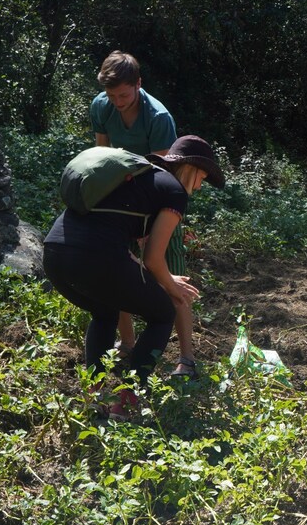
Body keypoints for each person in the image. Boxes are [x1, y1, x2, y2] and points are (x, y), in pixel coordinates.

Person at [43, 136, 224, 420]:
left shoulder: (139, 179)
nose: (199, 186)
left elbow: (131, 252)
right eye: (202, 177)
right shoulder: (174, 191)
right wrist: (169, 283)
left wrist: (163, 276)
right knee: (163, 312)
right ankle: (126, 402)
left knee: (104, 312)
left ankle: (93, 397)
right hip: (94, 257)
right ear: (190, 168)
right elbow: (153, 259)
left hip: (54, 254)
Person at [89, 51, 196, 378]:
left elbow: (162, 175)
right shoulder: (101, 107)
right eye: (112, 96)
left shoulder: (158, 117)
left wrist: (152, 228)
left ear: (138, 84)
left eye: (123, 95)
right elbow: (102, 157)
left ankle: (187, 359)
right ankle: (128, 344)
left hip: (158, 200)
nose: (118, 102)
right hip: (121, 201)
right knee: (122, 276)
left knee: (172, 281)